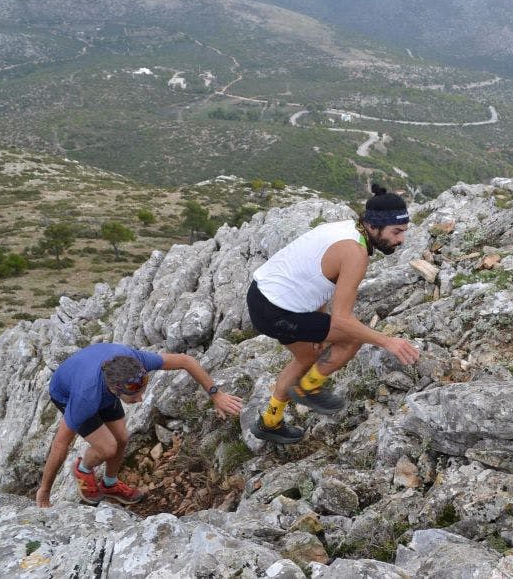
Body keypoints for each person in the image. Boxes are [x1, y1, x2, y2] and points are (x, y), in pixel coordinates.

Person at [247, 184, 420, 444]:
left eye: (404, 232)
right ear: (373, 226)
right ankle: (309, 388)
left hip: (260, 296)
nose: (401, 239)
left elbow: (314, 279)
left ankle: (270, 422)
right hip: (279, 310)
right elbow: (343, 320)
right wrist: (388, 341)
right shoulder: (356, 253)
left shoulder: (343, 229)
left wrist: (318, 323)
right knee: (352, 338)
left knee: (307, 355)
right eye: (396, 231)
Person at [35, 343, 242, 507]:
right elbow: (60, 445)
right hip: (66, 392)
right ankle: (83, 469)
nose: (141, 399)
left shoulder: (136, 362)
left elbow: (186, 361)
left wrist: (216, 395)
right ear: (115, 390)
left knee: (123, 438)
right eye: (134, 396)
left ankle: (110, 484)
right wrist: (44, 491)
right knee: (107, 447)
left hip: (98, 383)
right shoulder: (85, 399)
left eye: (142, 391)